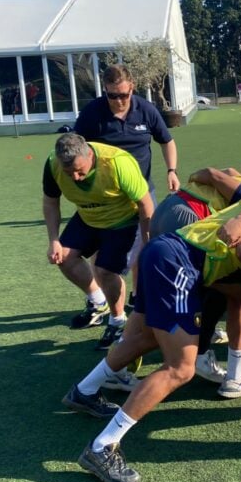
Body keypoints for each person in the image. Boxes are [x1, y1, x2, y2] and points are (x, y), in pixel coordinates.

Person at [63, 179, 241, 482]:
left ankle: (85, 391)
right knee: (179, 369)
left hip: (163, 250)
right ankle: (102, 447)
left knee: (147, 338)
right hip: (179, 262)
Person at [73, 64, 180, 345]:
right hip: (105, 198)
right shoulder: (92, 114)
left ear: (131, 88)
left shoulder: (145, 109)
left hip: (143, 192)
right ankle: (106, 306)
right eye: (111, 95)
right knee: (107, 257)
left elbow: (166, 141)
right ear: (104, 91)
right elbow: (78, 149)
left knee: (147, 248)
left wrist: (172, 170)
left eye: (122, 94)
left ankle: (136, 298)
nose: (118, 101)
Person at [150, 167, 241, 385]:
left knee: (209, 285)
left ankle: (114, 364)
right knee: (238, 292)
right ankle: (233, 375)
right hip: (188, 218)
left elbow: (232, 168)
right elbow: (213, 173)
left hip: (168, 209)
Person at [43, 133, 154, 352]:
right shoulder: (53, 164)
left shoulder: (117, 163)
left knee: (105, 271)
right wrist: (53, 240)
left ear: (90, 156)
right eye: (69, 172)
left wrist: (148, 243)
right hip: (88, 216)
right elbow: (50, 202)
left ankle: (118, 321)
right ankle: (98, 302)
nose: (75, 177)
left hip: (123, 220)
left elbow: (145, 204)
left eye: (79, 170)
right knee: (63, 257)